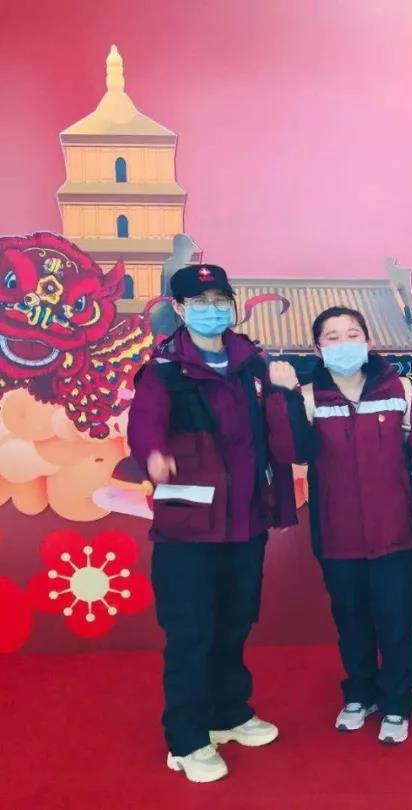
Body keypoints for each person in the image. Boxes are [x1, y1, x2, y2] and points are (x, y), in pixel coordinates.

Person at [127, 263, 298, 784]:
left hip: (245, 523)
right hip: (189, 529)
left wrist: (287, 394)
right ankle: (186, 739)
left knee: (234, 622)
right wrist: (153, 455)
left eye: (220, 299)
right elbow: (144, 428)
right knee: (191, 632)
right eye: (199, 302)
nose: (211, 309)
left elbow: (279, 439)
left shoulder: (253, 364)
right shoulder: (164, 370)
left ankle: (228, 713)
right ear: (179, 309)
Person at [264, 306, 412, 746]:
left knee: (396, 621)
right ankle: (360, 694)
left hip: (395, 533)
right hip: (337, 535)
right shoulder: (308, 397)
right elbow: (293, 451)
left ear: (368, 341)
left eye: (352, 334)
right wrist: (285, 396)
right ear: (318, 349)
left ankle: (397, 702)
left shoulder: (400, 389)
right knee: (352, 620)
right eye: (333, 337)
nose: (344, 343)